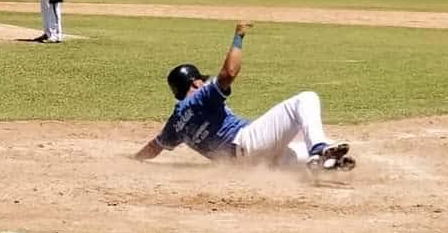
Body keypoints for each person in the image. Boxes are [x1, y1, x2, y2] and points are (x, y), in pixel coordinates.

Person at [132, 22, 356, 173]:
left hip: (247, 165)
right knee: (305, 99)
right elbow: (229, 73)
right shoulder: (200, 98)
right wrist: (238, 37)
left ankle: (325, 162)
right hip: (249, 143)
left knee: (300, 156)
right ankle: (319, 149)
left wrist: (132, 162)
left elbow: (154, 148)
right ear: (195, 82)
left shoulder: (175, 123)